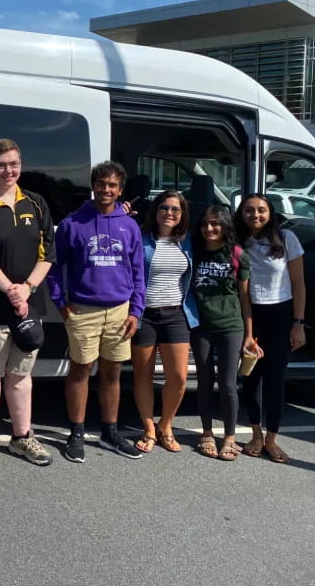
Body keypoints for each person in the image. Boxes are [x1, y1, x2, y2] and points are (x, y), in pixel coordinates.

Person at [0, 139, 54, 472]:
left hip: (28, 307)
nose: (8, 170)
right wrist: (11, 291)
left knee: (20, 375)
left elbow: (48, 254)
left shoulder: (36, 203)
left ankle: (22, 436)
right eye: (1, 165)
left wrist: (27, 289)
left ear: (21, 164)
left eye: (13, 163)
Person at [48, 160, 145, 464]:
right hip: (83, 310)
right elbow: (52, 266)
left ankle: (110, 432)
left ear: (120, 189)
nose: (106, 190)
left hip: (119, 311)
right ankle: (76, 432)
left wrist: (136, 310)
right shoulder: (72, 224)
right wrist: (60, 302)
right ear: (93, 186)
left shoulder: (129, 226)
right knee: (80, 372)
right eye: (101, 184)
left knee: (112, 374)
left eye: (113, 185)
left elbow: (139, 272)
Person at [235, 193, 306, 464]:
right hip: (251, 315)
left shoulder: (287, 239)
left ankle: (272, 439)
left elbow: (299, 284)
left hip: (281, 315)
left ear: (270, 213)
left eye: (261, 210)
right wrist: (248, 332)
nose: (255, 215)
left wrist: (298, 324)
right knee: (251, 379)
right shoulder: (239, 243)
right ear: (241, 214)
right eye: (249, 211)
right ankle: (255, 434)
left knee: (275, 381)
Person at [131, 190, 199, 453]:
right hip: (144, 315)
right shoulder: (141, 238)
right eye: (164, 208)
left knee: (179, 377)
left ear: (182, 215)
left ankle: (166, 425)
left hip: (176, 315)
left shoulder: (188, 242)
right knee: (143, 375)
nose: (169, 213)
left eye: (175, 209)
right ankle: (149, 427)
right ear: (155, 211)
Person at [191, 205, 260, 461]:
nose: (209, 229)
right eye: (205, 224)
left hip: (231, 326)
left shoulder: (237, 255)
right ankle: (207, 432)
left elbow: (244, 297)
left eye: (215, 224)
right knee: (205, 381)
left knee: (228, 384)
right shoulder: (194, 252)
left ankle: (229, 437)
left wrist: (249, 335)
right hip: (201, 326)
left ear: (225, 226)